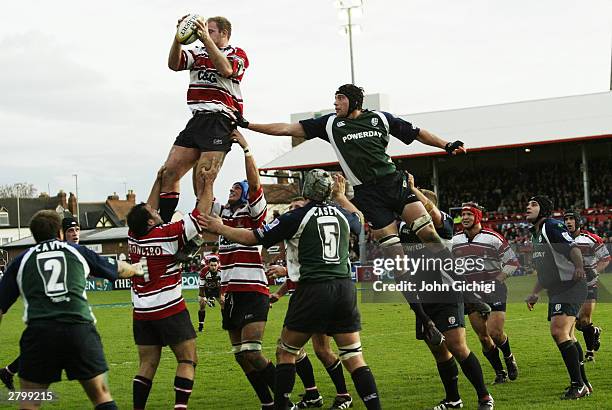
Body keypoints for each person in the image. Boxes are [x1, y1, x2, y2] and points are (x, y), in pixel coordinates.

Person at [237, 83, 467, 344]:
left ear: (355, 101)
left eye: (340, 99)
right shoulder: (330, 124)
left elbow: (417, 133)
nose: (335, 103)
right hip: (369, 195)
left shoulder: (380, 119)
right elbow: (288, 129)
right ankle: (425, 320)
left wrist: (446, 145)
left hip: (394, 184)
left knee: (427, 232)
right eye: (335, 98)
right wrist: (248, 125)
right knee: (398, 262)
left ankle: (464, 288)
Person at [200, 169, 382, 410]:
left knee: (286, 351)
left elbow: (255, 236)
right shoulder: (342, 214)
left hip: (313, 289)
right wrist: (340, 196)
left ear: (306, 190)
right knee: (353, 356)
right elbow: (359, 218)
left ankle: (283, 405)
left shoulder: (297, 216)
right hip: (345, 289)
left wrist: (220, 228)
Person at [0, 210, 143, 410]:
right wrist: (136, 268)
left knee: (29, 402)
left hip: (40, 333)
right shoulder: (76, 251)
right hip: (80, 330)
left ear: (34, 235)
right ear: (59, 231)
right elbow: (118, 268)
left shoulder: (20, 260)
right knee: (101, 396)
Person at [399, 178, 494, 410]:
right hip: (423, 297)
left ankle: (484, 397)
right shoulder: (404, 228)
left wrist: (412, 190)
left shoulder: (443, 224)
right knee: (439, 350)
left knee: (457, 346)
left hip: (447, 293)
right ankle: (453, 399)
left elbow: (432, 211)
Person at [127, 163, 217, 410]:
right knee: (188, 359)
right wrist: (208, 183)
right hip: (168, 308)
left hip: (142, 311)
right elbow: (200, 215)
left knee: (147, 364)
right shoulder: (166, 234)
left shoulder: (133, 236)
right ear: (149, 223)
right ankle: (180, 407)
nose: (157, 213)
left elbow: (148, 209)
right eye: (153, 214)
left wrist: (158, 181)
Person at [202, 130, 276, 409]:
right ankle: (268, 403)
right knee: (240, 355)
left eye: (235, 189)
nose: (230, 192)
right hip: (230, 294)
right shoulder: (224, 215)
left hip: (252, 289)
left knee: (252, 351)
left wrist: (246, 149)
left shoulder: (254, 213)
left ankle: (284, 396)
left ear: (244, 195)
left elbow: (255, 184)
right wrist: (208, 175)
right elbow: (203, 198)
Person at [267, 187, 354, 410]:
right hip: (305, 297)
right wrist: (279, 293)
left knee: (313, 350)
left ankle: (343, 395)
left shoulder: (307, 231)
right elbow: (297, 274)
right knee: (300, 350)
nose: (293, 211)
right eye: (291, 208)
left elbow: (310, 269)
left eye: (298, 207)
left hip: (317, 297)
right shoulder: (293, 238)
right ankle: (313, 393)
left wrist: (283, 272)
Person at [161, 15, 249, 224]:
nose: (203, 34)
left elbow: (226, 69)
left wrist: (206, 41)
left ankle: (195, 232)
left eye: (210, 31)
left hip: (220, 119)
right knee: (169, 172)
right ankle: (164, 227)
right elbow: (174, 64)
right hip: (197, 118)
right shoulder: (197, 53)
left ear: (224, 34)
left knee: (203, 179)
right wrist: (178, 37)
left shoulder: (237, 54)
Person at [0, 215, 83, 391]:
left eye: (77, 230)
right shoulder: (36, 256)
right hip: (51, 316)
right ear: (60, 233)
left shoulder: (75, 252)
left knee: (45, 346)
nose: (75, 234)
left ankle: (9, 371)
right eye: (70, 231)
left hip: (59, 318)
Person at [524, 196, 591, 400]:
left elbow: (573, 248)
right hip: (557, 289)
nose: (528, 207)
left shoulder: (551, 226)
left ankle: (577, 384)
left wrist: (579, 267)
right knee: (568, 336)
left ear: (543, 210)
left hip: (570, 285)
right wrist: (535, 292)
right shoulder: (535, 235)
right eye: (528, 204)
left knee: (558, 331)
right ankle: (583, 384)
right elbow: (545, 271)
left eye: (533, 204)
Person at [452, 202, 520, 384]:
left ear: (477, 216)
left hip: (494, 290)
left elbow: (512, 263)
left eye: (469, 214)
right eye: (463, 214)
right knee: (483, 338)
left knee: (495, 333)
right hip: (471, 294)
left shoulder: (493, 238)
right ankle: (500, 373)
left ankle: (509, 356)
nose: (464, 217)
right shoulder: (455, 240)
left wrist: (497, 280)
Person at [563, 210, 610, 361]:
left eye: (571, 219)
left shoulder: (591, 239)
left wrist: (594, 272)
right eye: (566, 219)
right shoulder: (562, 240)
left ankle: (590, 353)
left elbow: (605, 258)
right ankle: (594, 331)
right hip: (571, 288)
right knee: (577, 324)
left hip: (590, 284)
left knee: (584, 319)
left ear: (578, 221)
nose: (568, 222)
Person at [197, 255, 221, 332]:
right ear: (208, 265)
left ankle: (226, 324)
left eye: (215, 265)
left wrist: (222, 295)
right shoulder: (204, 271)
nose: (213, 267)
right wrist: (203, 297)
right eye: (211, 265)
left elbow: (224, 285)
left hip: (218, 289)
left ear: (218, 265)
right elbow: (201, 286)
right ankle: (201, 326)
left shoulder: (222, 271)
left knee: (224, 303)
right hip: (206, 289)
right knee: (202, 303)